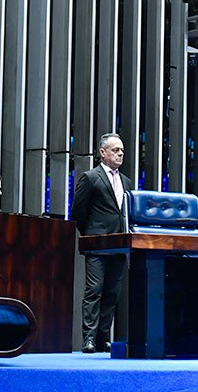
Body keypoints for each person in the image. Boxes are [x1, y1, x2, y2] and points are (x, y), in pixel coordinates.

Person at [71, 133, 131, 354]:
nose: (120, 154)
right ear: (102, 152)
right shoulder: (90, 177)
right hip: (97, 244)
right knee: (94, 291)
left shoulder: (126, 181)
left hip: (118, 243)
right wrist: (91, 235)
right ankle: (88, 339)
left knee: (112, 293)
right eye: (116, 150)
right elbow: (78, 212)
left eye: (122, 150)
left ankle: (103, 337)